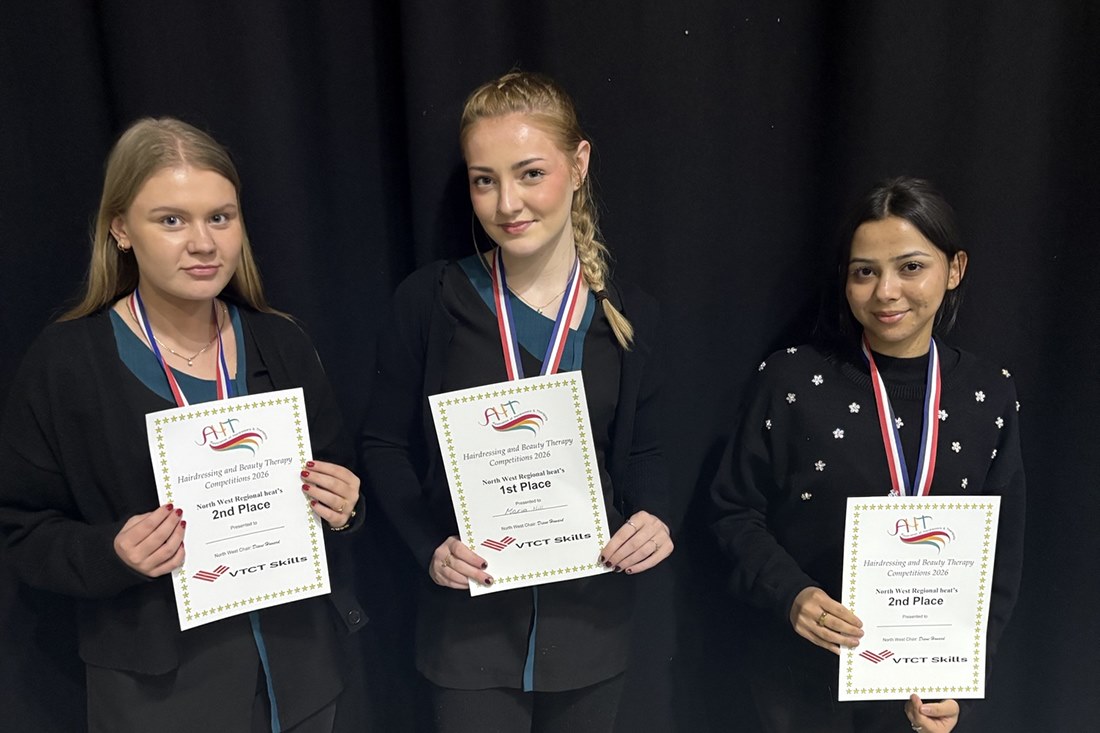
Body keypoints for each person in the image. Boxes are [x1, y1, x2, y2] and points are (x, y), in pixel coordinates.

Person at [0, 118, 366, 732]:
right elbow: (20, 530)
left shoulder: (282, 341)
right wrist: (109, 552)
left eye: (220, 217)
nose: (203, 243)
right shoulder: (66, 363)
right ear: (121, 229)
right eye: (171, 220)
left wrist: (346, 506)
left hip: (300, 681)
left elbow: (340, 488)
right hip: (158, 697)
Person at [360, 71, 673, 732]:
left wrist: (652, 515)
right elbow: (383, 445)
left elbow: (644, 448)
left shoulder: (627, 314)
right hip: (468, 630)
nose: (507, 203)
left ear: (578, 163)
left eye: (530, 173)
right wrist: (428, 545)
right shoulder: (429, 301)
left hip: (592, 623)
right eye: (484, 179)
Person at [710, 177, 1025, 732]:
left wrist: (965, 679)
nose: (885, 292)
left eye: (910, 267)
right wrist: (793, 594)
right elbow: (733, 511)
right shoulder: (791, 380)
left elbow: (1002, 546)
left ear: (954, 270)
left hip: (924, 690)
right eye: (865, 271)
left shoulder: (989, 391)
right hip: (799, 684)